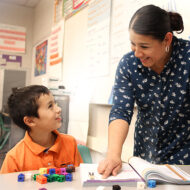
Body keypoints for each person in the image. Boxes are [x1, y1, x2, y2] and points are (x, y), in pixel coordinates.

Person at [98, 4, 190, 178]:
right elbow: (121, 111)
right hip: (144, 159)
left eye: (144, 46)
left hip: (184, 160)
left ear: (167, 40)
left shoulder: (188, 57)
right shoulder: (128, 65)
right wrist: (113, 155)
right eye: (133, 44)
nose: (137, 53)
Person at [0, 85, 83, 174]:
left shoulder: (70, 143)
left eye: (55, 103)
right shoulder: (14, 158)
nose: (59, 109)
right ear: (30, 121)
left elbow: (79, 178)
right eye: (50, 106)